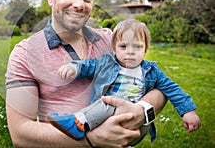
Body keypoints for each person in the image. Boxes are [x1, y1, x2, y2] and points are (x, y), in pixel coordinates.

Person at [5, 0, 167, 147]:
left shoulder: (111, 40)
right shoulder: (25, 53)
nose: (79, 5)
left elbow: (159, 86)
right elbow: (20, 134)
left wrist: (142, 110)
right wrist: (91, 140)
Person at [47, 19, 201, 146]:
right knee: (106, 102)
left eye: (137, 47)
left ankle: (79, 122)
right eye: (123, 46)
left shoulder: (151, 71)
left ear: (146, 50)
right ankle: (79, 123)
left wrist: (188, 111)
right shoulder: (106, 63)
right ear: (114, 49)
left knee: (109, 107)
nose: (130, 51)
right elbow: (88, 65)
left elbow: (172, 88)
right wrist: (73, 68)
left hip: (134, 118)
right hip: (104, 115)